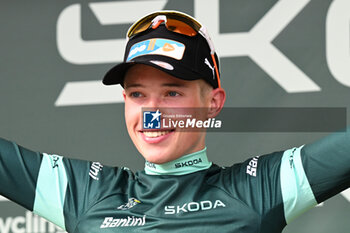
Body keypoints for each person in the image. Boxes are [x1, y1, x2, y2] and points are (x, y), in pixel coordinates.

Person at [0, 10, 349, 233]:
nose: (152, 111)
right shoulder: (86, 193)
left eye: (172, 94)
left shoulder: (255, 190)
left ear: (212, 104)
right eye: (137, 94)